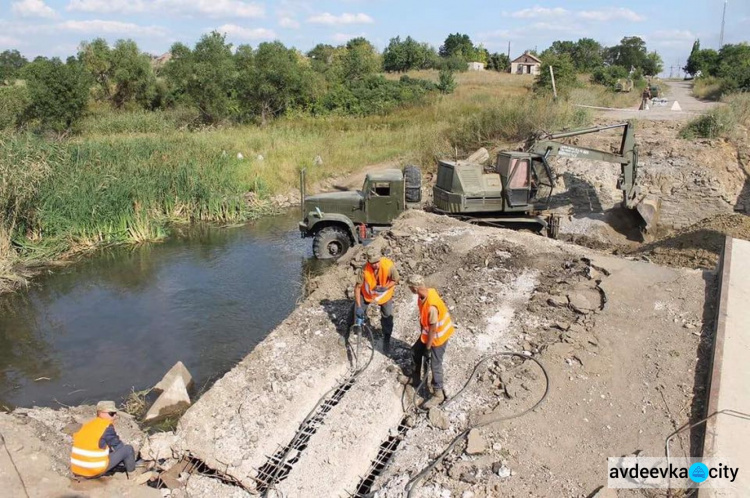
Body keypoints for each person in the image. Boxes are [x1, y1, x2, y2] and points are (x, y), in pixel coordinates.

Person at [407, 274, 455, 409]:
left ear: (415, 288)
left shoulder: (431, 306)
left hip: (438, 337)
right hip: (428, 334)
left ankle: (438, 393)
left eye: (410, 287)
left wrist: (428, 348)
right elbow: (424, 321)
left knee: (435, 364)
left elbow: (433, 329)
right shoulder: (424, 295)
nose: (410, 289)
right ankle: (416, 379)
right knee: (415, 352)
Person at [70, 401, 137, 478]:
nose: (114, 416)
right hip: (93, 471)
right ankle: (134, 477)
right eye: (111, 413)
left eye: (115, 413)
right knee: (128, 449)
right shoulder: (106, 427)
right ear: (101, 413)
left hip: (77, 470)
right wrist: (128, 460)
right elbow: (118, 446)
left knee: (108, 449)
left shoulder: (87, 425)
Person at [352, 245, 400, 353]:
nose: (375, 265)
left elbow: (396, 279)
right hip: (368, 294)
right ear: (368, 261)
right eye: (372, 263)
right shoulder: (364, 269)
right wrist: (359, 306)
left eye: (377, 262)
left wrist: (386, 287)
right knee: (356, 310)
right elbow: (357, 288)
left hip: (384, 295)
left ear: (380, 258)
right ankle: (354, 329)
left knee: (387, 316)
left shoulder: (388, 266)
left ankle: (386, 338)